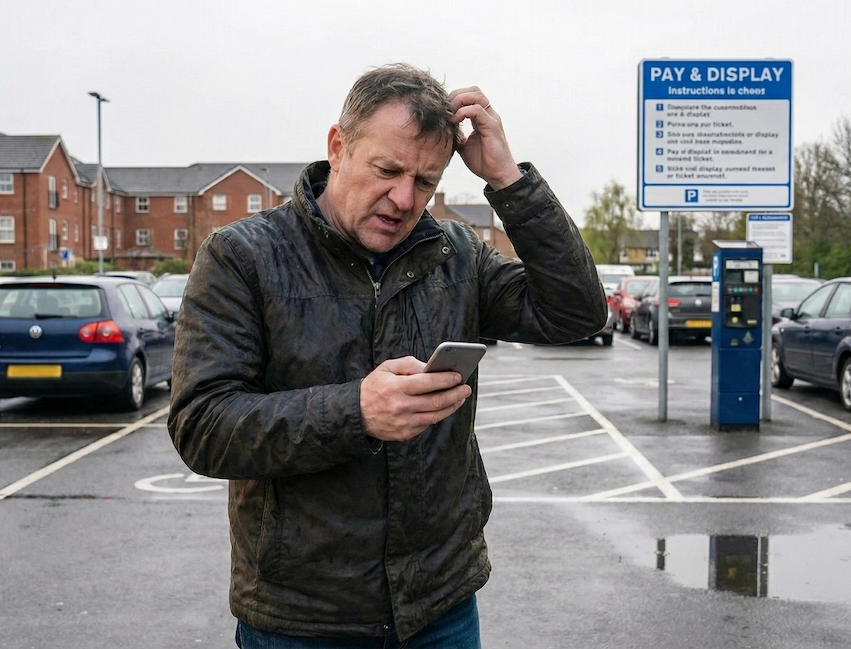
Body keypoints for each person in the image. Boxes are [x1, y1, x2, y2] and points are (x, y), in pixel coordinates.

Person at [168, 63, 606, 648]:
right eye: (387, 170)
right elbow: (202, 426)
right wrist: (357, 411)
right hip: (302, 617)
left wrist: (508, 181)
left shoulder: (453, 255)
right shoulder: (242, 258)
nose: (404, 199)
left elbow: (575, 313)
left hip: (439, 607)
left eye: (425, 182)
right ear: (338, 146)